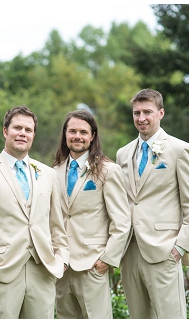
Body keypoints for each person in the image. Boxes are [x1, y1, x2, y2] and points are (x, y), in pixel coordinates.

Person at [0, 105, 69, 319]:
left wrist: (62, 259)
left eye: (28, 130)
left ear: (33, 135)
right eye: (17, 128)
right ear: (5, 131)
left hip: (42, 272)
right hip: (0, 272)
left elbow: (57, 223)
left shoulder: (47, 174)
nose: (22, 133)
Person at [115, 89, 189, 319]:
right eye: (136, 113)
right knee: (139, 318)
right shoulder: (122, 154)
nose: (141, 118)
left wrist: (180, 248)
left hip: (164, 250)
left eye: (147, 112)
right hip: (129, 252)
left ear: (161, 113)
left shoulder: (180, 150)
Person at [52, 110, 130, 319]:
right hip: (61, 266)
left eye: (83, 132)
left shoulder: (107, 170)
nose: (77, 136)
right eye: (72, 131)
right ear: (65, 134)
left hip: (92, 265)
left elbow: (121, 221)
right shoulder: (54, 171)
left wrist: (107, 260)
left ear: (92, 136)